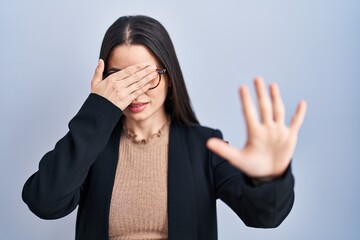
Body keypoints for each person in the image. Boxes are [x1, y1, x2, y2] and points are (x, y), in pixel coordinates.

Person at [22, 15, 307, 240]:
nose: (135, 93)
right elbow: (44, 202)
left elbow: (264, 217)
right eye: (120, 79)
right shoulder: (92, 147)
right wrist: (98, 108)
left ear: (169, 78)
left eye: (147, 77)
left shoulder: (204, 146)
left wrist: (269, 179)